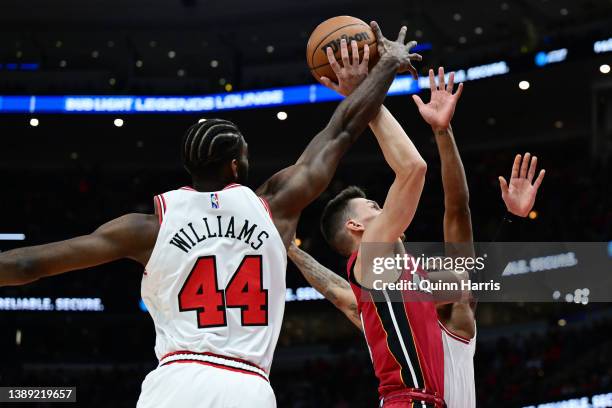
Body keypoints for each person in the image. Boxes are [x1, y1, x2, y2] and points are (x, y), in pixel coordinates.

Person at [0, 22, 423, 408]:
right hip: (247, 386)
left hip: (175, 383)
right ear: (236, 167)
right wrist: (385, 65)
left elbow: (28, 263)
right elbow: (343, 129)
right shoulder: (273, 206)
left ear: (190, 167)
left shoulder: (147, 226)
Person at [289, 61, 546, 408]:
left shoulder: (401, 296)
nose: (384, 207)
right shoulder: (384, 270)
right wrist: (367, 95)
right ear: (356, 227)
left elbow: (339, 294)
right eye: (373, 206)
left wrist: (290, 248)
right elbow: (427, 183)